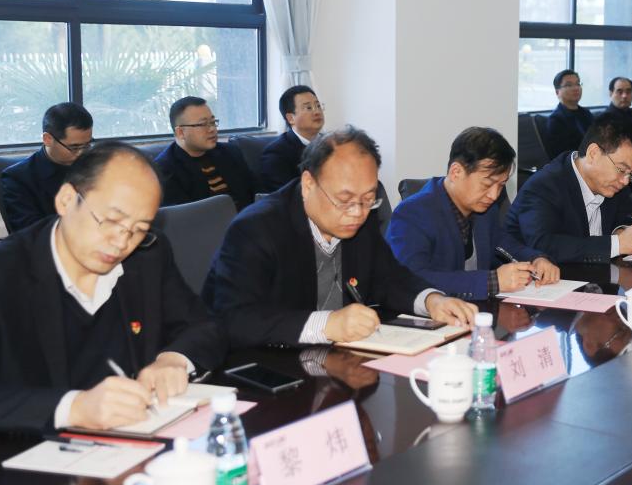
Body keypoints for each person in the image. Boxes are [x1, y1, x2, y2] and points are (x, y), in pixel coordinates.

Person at [0, 142, 226, 433]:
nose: (122, 241)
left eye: (139, 229)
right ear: (66, 200)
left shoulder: (147, 255)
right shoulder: (2, 274)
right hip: (34, 450)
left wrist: (174, 360)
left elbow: (204, 326)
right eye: (112, 220)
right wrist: (74, 408)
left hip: (140, 435)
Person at [204, 126, 478, 349]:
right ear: (308, 184)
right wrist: (327, 324)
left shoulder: (361, 218)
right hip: (268, 368)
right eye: (344, 200)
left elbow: (389, 277)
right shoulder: (256, 229)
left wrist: (432, 301)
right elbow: (234, 318)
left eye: (368, 199)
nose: (357, 213)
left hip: (337, 362)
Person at [387, 127, 560, 301]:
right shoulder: (412, 213)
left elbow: (503, 243)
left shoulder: (485, 209)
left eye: (501, 185)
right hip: (432, 315)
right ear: (456, 172)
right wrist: (490, 281)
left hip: (476, 310)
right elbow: (409, 279)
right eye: (487, 184)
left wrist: (536, 259)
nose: (494, 195)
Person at [506, 112, 632, 264]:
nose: (625, 181)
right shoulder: (544, 186)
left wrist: (621, 230)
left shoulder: (615, 184)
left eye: (631, 174)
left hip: (596, 274)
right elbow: (543, 246)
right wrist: (617, 244)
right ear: (593, 154)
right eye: (622, 169)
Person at [1, 102, 94, 233]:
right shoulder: (18, 178)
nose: (81, 153)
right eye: (74, 147)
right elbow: (31, 232)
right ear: (48, 139)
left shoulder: (95, 166)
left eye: (87, 145)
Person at [154, 97, 256, 211]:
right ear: (180, 132)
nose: (212, 129)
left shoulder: (230, 152)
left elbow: (255, 195)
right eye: (203, 124)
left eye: (212, 122)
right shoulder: (164, 170)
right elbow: (183, 216)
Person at [260, 85, 326, 192]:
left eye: (318, 106)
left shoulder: (332, 143)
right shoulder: (276, 154)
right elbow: (288, 195)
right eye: (309, 108)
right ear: (291, 118)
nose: (317, 112)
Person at [543, 69, 595, 159]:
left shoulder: (586, 113)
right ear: (557, 92)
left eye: (578, 84)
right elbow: (561, 156)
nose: (576, 88)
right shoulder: (556, 120)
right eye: (569, 85)